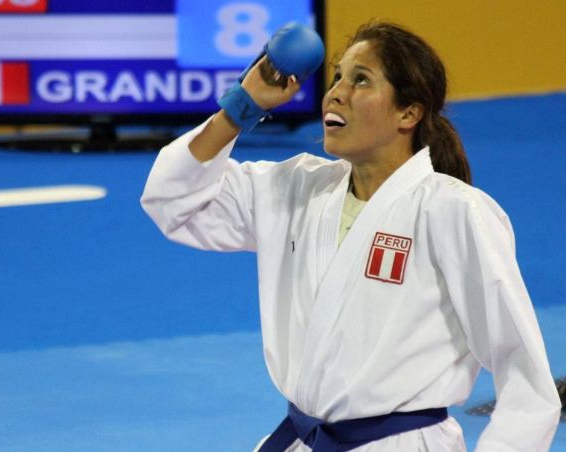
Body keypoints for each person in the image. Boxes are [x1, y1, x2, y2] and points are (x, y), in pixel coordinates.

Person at [141, 20, 561, 451]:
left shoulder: (452, 211)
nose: (336, 93)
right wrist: (241, 107)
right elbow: (171, 200)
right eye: (337, 77)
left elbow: (525, 377)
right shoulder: (297, 188)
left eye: (361, 80)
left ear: (408, 113)